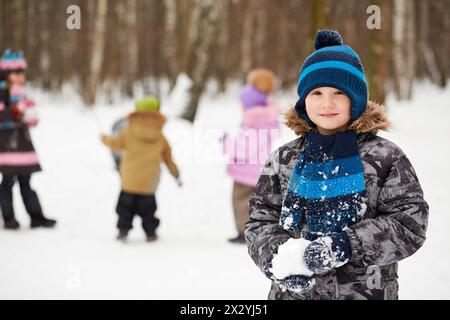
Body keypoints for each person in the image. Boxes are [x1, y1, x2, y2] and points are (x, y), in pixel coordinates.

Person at [245, 30, 429, 299]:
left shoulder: (384, 157)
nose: (326, 103)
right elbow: (260, 220)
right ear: (303, 101)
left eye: (339, 93)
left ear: (355, 99)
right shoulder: (284, 159)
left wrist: (345, 245)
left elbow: (409, 224)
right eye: (316, 92)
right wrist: (279, 257)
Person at [101, 96, 181, 242]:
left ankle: (123, 230)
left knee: (125, 209)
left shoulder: (128, 131)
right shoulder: (160, 136)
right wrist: (176, 174)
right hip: (149, 183)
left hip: (129, 181)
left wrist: (104, 138)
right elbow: (168, 159)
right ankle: (151, 233)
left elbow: (115, 143)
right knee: (148, 210)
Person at [221, 68, 280, 244]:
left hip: (246, 170)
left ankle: (245, 232)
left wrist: (225, 143)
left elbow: (244, 149)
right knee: (253, 202)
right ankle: (254, 229)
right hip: (257, 169)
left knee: (240, 201)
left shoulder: (255, 121)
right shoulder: (266, 118)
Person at [0, 49, 56, 229]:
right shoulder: (2, 93)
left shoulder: (21, 93)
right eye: (16, 73)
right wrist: (16, 112)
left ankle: (36, 217)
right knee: (7, 183)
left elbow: (29, 119)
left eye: (21, 73)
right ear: (7, 74)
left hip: (22, 146)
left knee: (26, 182)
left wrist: (30, 115)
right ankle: (9, 218)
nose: (20, 76)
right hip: (6, 146)